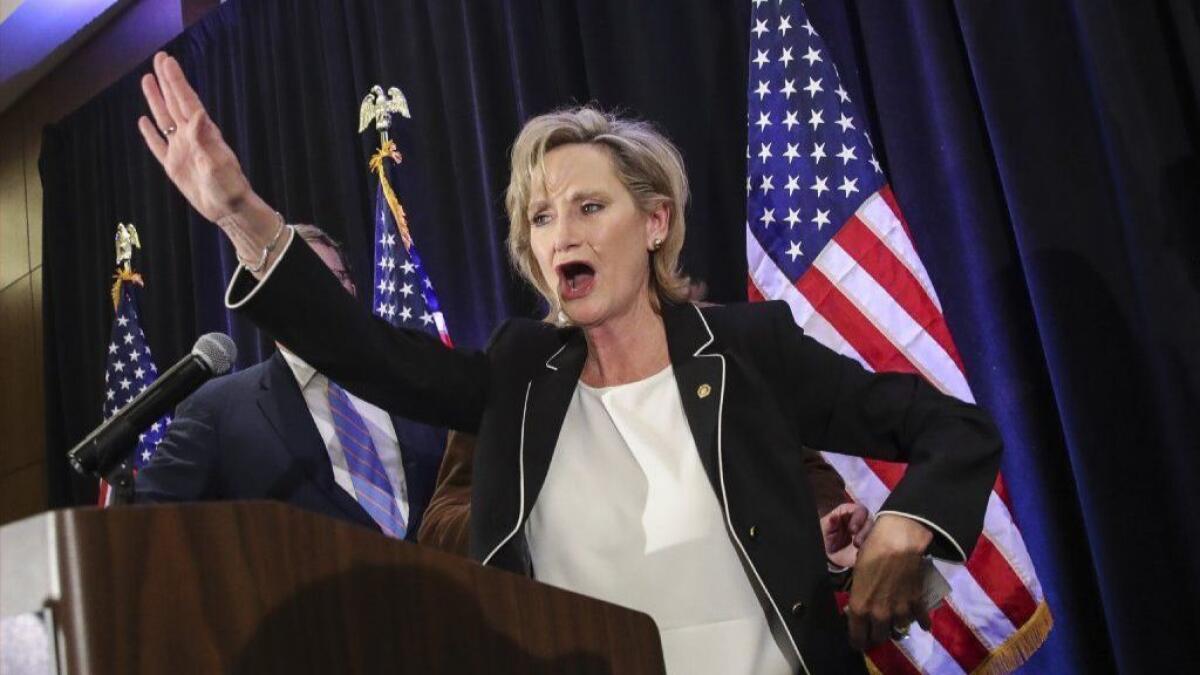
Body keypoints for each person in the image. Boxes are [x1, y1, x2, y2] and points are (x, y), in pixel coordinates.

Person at [137, 51, 1001, 674]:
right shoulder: (521, 375)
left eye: (591, 205)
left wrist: (906, 523)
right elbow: (369, 353)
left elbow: (951, 427)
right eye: (542, 218)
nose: (564, 234)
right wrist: (242, 214)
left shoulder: (746, 348)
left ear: (655, 221)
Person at [134, 224, 446, 542]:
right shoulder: (217, 410)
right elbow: (147, 522)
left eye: (329, 279)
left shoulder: (409, 381)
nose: (316, 294)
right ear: (267, 301)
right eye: (297, 282)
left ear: (351, 289)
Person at [418, 430, 870, 569]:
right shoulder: (513, 377)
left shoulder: (720, 350)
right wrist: (543, 515)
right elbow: (440, 528)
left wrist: (821, 524)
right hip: (589, 638)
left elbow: (800, 467)